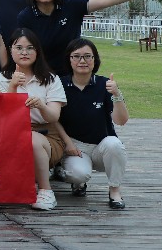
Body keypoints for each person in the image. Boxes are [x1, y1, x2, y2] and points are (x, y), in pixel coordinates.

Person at [18, 0, 161, 71]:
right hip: (43, 78)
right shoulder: (25, 17)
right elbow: (23, 52)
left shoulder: (71, 5)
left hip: (74, 75)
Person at [0, 28, 66, 211]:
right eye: (19, 48)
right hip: (10, 133)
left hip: (46, 134)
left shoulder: (50, 79)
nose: (24, 52)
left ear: (37, 51)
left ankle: (46, 191)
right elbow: (2, 115)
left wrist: (41, 106)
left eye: (30, 48)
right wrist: (12, 87)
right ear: (10, 50)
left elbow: (54, 116)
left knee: (31, 139)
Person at [53, 39, 128, 209]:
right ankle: (78, 184)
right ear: (69, 59)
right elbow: (53, 119)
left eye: (88, 56)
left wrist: (117, 94)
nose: (82, 61)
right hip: (75, 146)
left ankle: (114, 190)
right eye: (76, 56)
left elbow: (121, 120)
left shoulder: (104, 85)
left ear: (95, 60)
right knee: (78, 174)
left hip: (102, 145)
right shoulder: (60, 85)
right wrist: (67, 143)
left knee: (115, 145)